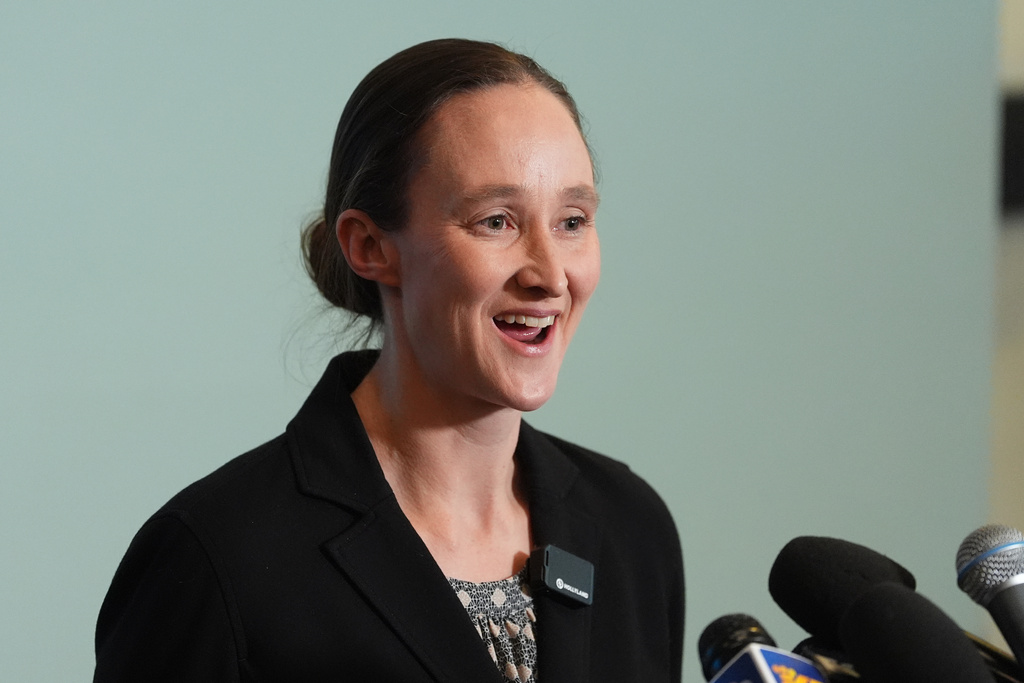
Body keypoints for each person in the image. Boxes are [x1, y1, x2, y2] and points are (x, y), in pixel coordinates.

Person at [93, 38, 684, 682]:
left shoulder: (631, 529)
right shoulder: (215, 558)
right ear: (370, 246)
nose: (550, 275)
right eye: (495, 221)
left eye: (572, 220)